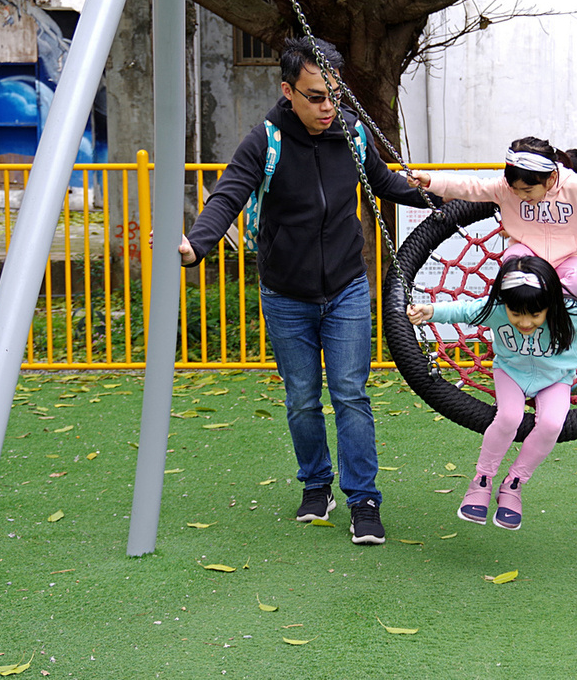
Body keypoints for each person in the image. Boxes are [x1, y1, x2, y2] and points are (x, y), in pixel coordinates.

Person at [177, 36, 433, 545]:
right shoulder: (266, 140)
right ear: (287, 90)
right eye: (315, 95)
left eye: (334, 95)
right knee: (300, 398)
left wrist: (434, 196)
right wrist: (197, 244)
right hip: (286, 293)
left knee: (351, 395)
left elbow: (382, 182)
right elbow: (229, 194)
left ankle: (363, 499)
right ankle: (317, 485)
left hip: (346, 288)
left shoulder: (353, 133)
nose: (327, 106)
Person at [407, 255, 577, 530]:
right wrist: (430, 312)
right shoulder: (496, 308)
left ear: (550, 304)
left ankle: (514, 484)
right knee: (508, 418)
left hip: (555, 378)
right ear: (505, 304)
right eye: (516, 314)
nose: (525, 322)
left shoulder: (569, 311)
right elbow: (463, 310)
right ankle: (482, 480)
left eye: (534, 315)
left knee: (553, 424)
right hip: (511, 372)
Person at [407, 137, 577, 295]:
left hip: (567, 257)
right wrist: (430, 180)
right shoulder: (507, 189)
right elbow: (470, 187)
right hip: (526, 252)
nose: (520, 195)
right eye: (515, 189)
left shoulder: (576, 186)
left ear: (550, 178)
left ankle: (547, 310)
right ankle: (524, 312)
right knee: (512, 269)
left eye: (527, 190)